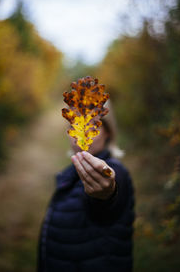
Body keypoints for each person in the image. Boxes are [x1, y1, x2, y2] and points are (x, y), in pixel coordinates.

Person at [37, 99, 135, 272]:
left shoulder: (117, 172)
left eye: (92, 124)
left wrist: (106, 192)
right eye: (74, 122)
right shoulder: (71, 174)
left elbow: (109, 199)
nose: (79, 132)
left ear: (108, 132)